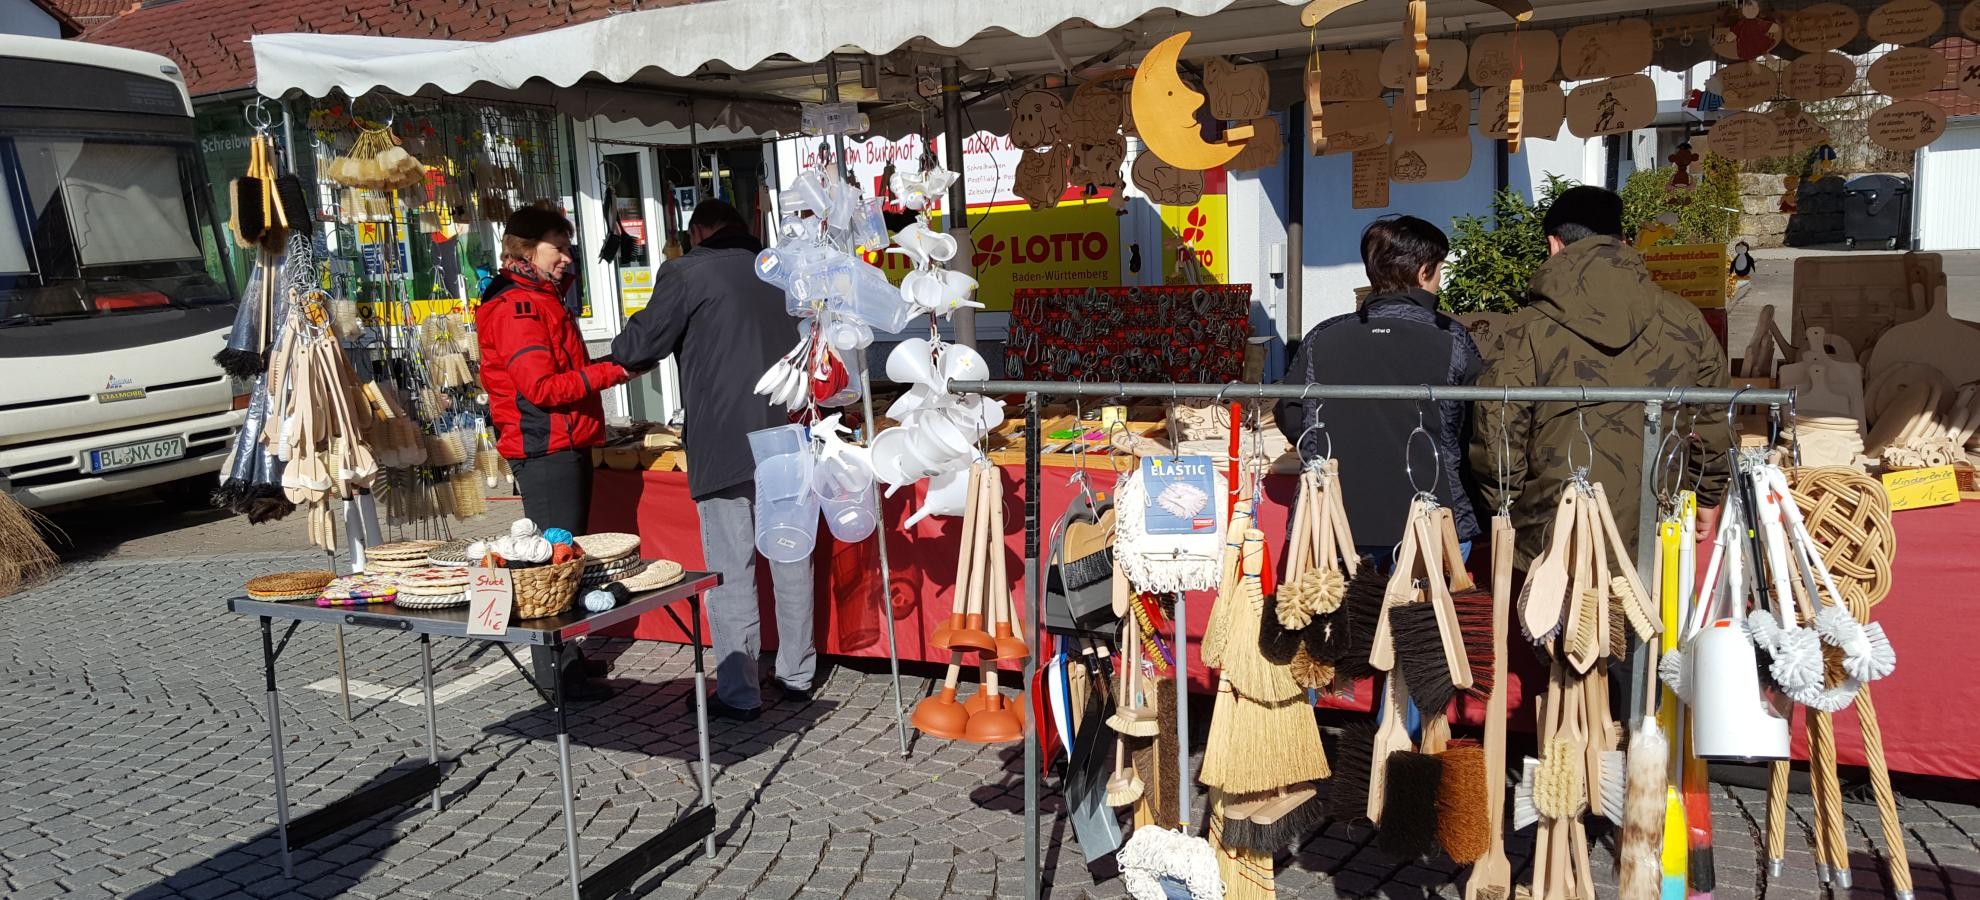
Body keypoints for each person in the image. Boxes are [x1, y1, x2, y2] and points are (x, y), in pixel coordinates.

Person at [612, 199, 815, 722]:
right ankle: (797, 673)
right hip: (791, 432)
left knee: (731, 566)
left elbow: (636, 348)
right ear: (746, 228)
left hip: (725, 439)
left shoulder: (685, 272)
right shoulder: (783, 269)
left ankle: (739, 691)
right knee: (791, 556)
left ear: (699, 231)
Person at [1469, 185, 1729, 570]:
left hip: (1551, 528)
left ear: (1554, 245)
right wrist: (1707, 493)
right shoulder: (1686, 319)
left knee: (1557, 628)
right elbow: (1711, 418)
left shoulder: (1526, 329)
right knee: (1644, 625)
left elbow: (1498, 425)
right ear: (1623, 241)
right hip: (1655, 519)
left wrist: (1505, 502)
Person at [476, 206, 632, 697]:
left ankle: (570, 655)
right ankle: (557, 677)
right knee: (549, 560)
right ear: (525, 250)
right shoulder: (518, 306)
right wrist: (615, 370)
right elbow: (542, 388)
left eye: (568, 247)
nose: (568, 257)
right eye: (557, 248)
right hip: (544, 449)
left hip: (562, 443)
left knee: (566, 556)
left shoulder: (540, 297)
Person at [1276, 216, 1483, 565]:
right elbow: (1481, 425)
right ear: (1424, 271)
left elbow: (1290, 412)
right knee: (1430, 619)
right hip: (1434, 517)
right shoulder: (1452, 339)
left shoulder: (1322, 337)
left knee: (1343, 621)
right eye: (1440, 269)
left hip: (1337, 519)